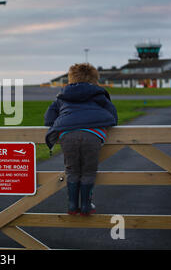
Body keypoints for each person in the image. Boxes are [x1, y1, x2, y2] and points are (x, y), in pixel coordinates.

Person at [44, 63, 118, 216]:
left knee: (72, 170)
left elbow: (48, 118)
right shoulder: (99, 94)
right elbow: (112, 115)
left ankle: (72, 206)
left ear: (70, 79)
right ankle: (86, 206)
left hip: (68, 136)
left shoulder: (62, 96)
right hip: (93, 135)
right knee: (88, 171)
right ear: (95, 79)